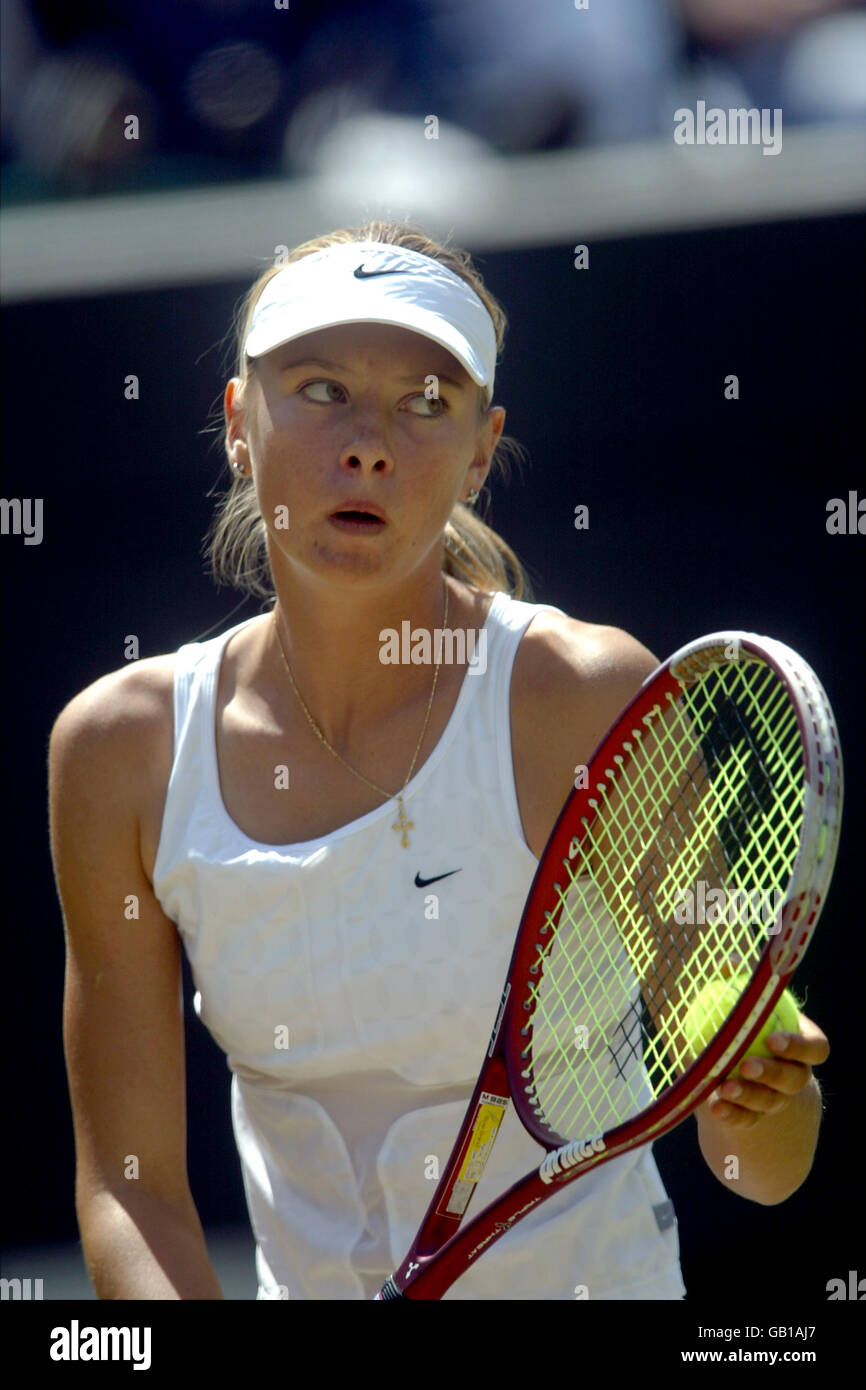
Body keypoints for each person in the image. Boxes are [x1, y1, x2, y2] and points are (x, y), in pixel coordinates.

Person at [49, 221, 829, 1300]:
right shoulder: (118, 750)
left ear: (477, 448)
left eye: (424, 402)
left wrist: (767, 1098)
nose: (367, 441)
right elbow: (128, 1188)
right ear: (238, 424)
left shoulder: (581, 697)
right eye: (319, 389)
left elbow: (757, 1171)